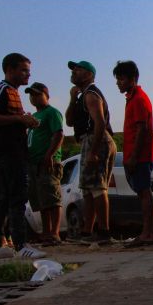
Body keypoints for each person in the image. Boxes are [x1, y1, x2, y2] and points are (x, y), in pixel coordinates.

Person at [0, 53, 46, 259]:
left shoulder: (12, 92)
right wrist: (19, 118)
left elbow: (10, 118)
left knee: (5, 198)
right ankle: (20, 245)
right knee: (18, 196)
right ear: (10, 70)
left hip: (12, 152)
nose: (28, 74)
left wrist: (23, 120)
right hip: (8, 153)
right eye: (24, 70)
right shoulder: (1, 89)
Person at [65, 60, 116, 244]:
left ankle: (104, 232)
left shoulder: (92, 94)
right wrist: (72, 98)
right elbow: (69, 122)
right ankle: (87, 233)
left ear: (89, 74)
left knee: (96, 187)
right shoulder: (82, 96)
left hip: (96, 139)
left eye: (78, 69)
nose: (74, 72)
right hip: (90, 139)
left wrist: (94, 151)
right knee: (87, 189)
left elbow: (100, 123)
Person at [114, 60, 153, 246]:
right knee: (144, 193)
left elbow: (142, 130)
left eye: (121, 78)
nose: (118, 82)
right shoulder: (132, 98)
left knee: (144, 193)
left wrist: (133, 156)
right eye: (117, 79)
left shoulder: (139, 99)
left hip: (140, 156)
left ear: (132, 79)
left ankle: (149, 233)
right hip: (135, 155)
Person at [26, 82, 64, 245]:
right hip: (34, 164)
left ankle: (54, 233)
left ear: (46, 95)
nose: (34, 97)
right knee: (42, 201)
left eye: (37, 94)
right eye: (31, 95)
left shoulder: (51, 112)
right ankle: (47, 232)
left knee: (51, 198)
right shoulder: (34, 117)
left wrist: (50, 155)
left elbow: (58, 133)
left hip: (47, 162)